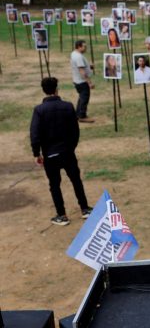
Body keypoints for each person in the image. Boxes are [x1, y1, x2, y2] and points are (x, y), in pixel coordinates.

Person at [30, 77, 93, 226]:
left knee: (54, 184)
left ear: (44, 91)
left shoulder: (39, 110)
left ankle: (61, 215)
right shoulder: (68, 106)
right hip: (67, 151)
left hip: (50, 154)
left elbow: (35, 134)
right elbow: (75, 130)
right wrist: (71, 147)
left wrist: (36, 153)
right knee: (76, 180)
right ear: (57, 89)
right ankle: (84, 208)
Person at [70, 40, 94, 123]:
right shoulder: (78, 57)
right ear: (79, 47)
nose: (86, 48)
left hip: (77, 80)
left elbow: (80, 66)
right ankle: (82, 116)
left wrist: (88, 66)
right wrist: (89, 82)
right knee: (84, 99)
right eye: (84, 46)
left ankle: (77, 114)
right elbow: (81, 71)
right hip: (81, 82)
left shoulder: (74, 53)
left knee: (81, 98)